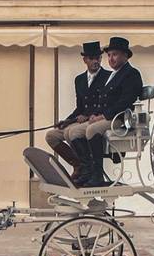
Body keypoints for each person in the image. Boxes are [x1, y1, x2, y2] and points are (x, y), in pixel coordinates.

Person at [68, 37, 142, 187]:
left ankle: (97, 174)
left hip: (119, 118)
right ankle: (86, 170)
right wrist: (94, 115)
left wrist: (102, 116)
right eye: (109, 55)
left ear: (125, 56)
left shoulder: (131, 73)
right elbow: (104, 101)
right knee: (73, 132)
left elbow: (125, 102)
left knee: (92, 129)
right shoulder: (114, 74)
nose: (111, 58)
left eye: (114, 54)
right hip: (107, 116)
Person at [44, 41, 108, 185]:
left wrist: (87, 116)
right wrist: (67, 121)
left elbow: (105, 105)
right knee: (51, 136)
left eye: (98, 58)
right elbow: (79, 107)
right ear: (85, 60)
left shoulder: (108, 77)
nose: (95, 61)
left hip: (95, 120)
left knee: (72, 132)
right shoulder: (79, 80)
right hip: (79, 121)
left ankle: (88, 170)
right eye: (92, 58)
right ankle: (77, 165)